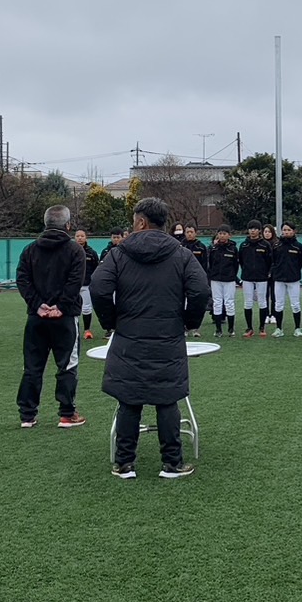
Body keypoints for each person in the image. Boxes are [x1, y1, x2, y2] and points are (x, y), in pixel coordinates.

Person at [91, 196, 209, 479]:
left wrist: (112, 321)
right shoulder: (180, 254)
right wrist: (189, 321)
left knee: (129, 398)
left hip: (129, 334)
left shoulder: (118, 254)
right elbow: (201, 290)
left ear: (141, 222)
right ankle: (172, 463)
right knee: (167, 397)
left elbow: (98, 287)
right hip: (168, 334)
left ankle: (124, 463)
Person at [14, 205, 87, 428]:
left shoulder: (29, 250)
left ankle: (27, 415)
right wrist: (61, 307)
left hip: (36, 318)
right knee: (67, 364)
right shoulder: (75, 250)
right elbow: (75, 283)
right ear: (68, 225)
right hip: (65, 319)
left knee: (32, 366)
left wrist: (38, 305)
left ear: (45, 224)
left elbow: (22, 280)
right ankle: (67, 413)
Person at [238, 221, 274, 338]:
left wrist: (267, 273)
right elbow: (241, 261)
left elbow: (270, 261)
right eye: (250, 228)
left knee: (262, 302)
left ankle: (262, 327)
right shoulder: (244, 245)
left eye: (255, 228)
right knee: (248, 302)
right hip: (247, 277)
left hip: (262, 278)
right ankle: (249, 328)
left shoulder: (265, 245)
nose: (252, 231)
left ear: (259, 230)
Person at [270, 222, 302, 337]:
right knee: (278, 304)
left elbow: (301, 261)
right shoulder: (276, 245)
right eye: (284, 230)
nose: (286, 232)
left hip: (293, 279)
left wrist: (294, 271)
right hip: (279, 279)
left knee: (295, 304)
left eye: (289, 230)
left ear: (294, 231)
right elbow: (273, 261)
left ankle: (297, 329)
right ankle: (279, 329)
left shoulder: (298, 246)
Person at [205, 226, 240, 337]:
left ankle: (230, 329)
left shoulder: (233, 249)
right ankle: (218, 330)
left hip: (229, 280)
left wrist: (232, 276)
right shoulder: (213, 249)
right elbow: (209, 264)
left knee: (229, 303)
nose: (222, 235)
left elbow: (236, 265)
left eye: (225, 233)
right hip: (216, 280)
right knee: (217, 303)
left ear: (229, 235)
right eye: (220, 233)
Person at [74, 229, 101, 340]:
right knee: (72, 308)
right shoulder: (69, 251)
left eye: (82, 236)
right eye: (77, 236)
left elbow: (97, 269)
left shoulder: (91, 253)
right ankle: (73, 330)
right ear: (74, 237)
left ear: (86, 238)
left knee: (86, 308)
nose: (80, 238)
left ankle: (87, 331)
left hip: (86, 285)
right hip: (73, 285)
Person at [261, 223, 279, 326]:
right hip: (263, 274)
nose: (267, 234)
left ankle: (274, 315)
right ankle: (266, 315)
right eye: (265, 232)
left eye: (269, 232)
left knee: (274, 295)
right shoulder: (261, 244)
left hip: (274, 274)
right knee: (264, 295)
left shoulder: (277, 244)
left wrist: (271, 271)